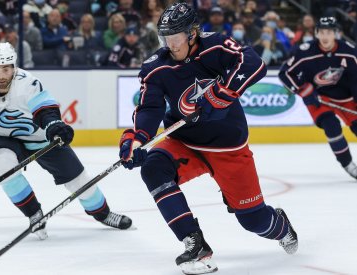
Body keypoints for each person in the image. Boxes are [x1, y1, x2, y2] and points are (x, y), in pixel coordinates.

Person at [118, 3, 298, 274]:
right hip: (184, 142)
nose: (170, 45)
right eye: (165, 38)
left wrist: (219, 95)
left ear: (192, 34)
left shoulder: (215, 45)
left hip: (228, 147)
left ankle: (280, 226)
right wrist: (136, 139)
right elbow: (149, 108)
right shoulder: (156, 67)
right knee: (154, 168)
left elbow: (253, 63)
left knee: (253, 221)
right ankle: (194, 242)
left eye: (175, 38)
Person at [0, 42, 133, 240]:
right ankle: (34, 214)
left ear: (14, 67)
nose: (1, 75)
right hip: (6, 140)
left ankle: (103, 214)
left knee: (78, 180)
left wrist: (53, 125)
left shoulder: (28, 82)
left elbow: (46, 110)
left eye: (6, 68)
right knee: (1, 164)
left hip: (41, 138)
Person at [279, 17, 357, 180]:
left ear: (336, 33)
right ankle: (348, 165)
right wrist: (301, 89)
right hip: (319, 98)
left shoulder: (349, 51)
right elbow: (285, 73)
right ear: (316, 33)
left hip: (347, 97)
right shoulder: (305, 51)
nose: (325, 36)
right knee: (331, 125)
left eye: (329, 32)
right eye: (321, 32)